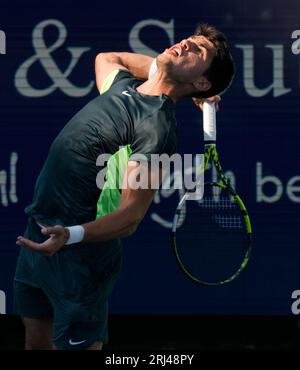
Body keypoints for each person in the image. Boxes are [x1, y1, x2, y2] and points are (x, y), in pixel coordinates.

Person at [15, 24, 235, 350]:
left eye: (198, 51)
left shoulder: (156, 127)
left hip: (79, 256)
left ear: (202, 80)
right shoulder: (123, 85)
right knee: (36, 341)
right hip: (38, 233)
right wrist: (165, 73)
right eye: (190, 40)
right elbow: (109, 57)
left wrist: (71, 234)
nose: (186, 43)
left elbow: (130, 216)